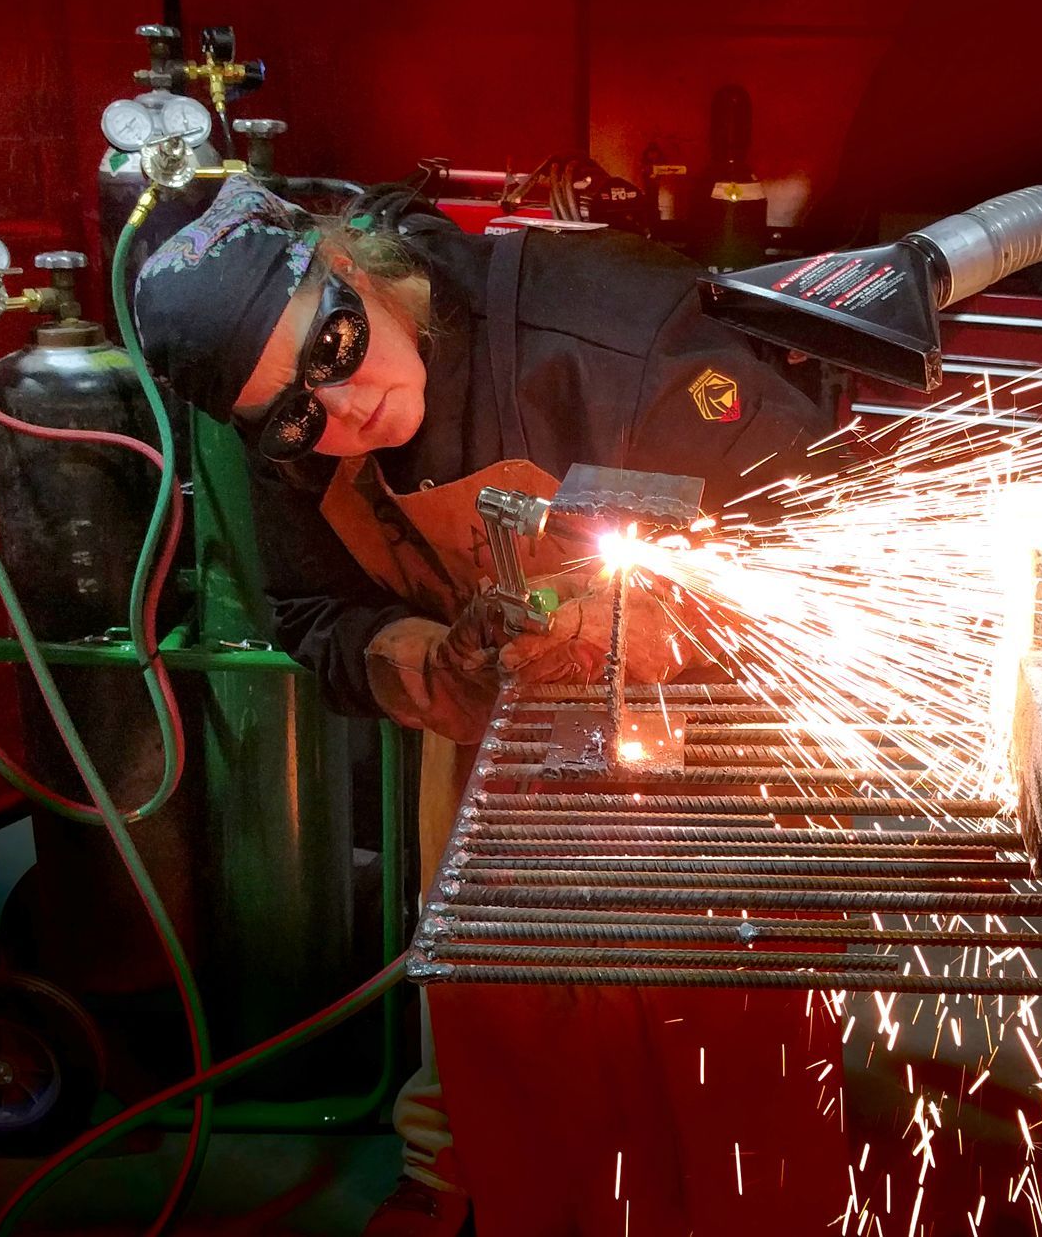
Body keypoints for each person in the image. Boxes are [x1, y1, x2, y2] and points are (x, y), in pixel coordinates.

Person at [132, 176, 834, 1235]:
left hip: (709, 751)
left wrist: (653, 623)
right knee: (497, 1017)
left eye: (334, 349)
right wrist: (441, 668)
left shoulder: (610, 336)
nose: (343, 410)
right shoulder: (288, 449)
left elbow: (821, 535)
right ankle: (481, 1185)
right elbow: (315, 616)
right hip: (495, 752)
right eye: (291, 415)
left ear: (352, 264)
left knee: (717, 1047)